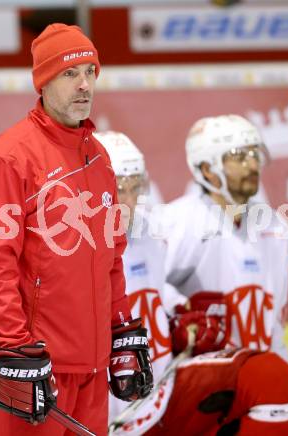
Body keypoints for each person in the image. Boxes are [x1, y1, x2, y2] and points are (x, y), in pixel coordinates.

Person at [0, 24, 152, 436]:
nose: (84, 85)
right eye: (70, 74)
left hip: (89, 368)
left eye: (90, 72)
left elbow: (111, 257)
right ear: (44, 80)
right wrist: (13, 346)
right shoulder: (8, 160)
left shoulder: (98, 159)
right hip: (29, 366)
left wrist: (120, 329)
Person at [159, 114, 288, 435]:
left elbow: (274, 325)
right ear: (207, 169)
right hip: (201, 382)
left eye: (255, 154)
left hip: (258, 378)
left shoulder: (276, 229)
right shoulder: (176, 223)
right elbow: (143, 290)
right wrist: (178, 312)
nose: (252, 165)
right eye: (238, 157)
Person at [93, 131, 173, 422]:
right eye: (117, 188)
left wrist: (181, 313)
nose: (127, 199)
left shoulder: (156, 234)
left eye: (134, 186)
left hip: (155, 389)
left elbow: (162, 290)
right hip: (103, 393)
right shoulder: (78, 246)